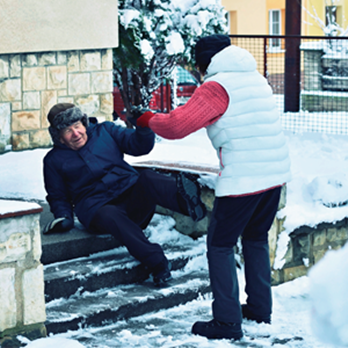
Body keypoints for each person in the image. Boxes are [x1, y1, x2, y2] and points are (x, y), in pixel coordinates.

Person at [129, 34, 291, 339]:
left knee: (219, 245)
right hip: (274, 176)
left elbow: (177, 126)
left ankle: (227, 322)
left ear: (205, 62)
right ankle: (259, 309)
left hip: (244, 179)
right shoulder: (255, 77)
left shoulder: (216, 86)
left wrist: (147, 118)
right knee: (255, 238)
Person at [43, 103, 206, 286]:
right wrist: (64, 216)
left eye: (77, 126)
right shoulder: (53, 161)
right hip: (98, 210)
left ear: (84, 123)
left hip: (131, 198)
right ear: (59, 136)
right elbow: (58, 196)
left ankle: (187, 203)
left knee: (147, 178)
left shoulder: (106, 130)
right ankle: (157, 263)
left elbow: (138, 146)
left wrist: (143, 128)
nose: (76, 133)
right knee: (110, 214)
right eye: (67, 130)